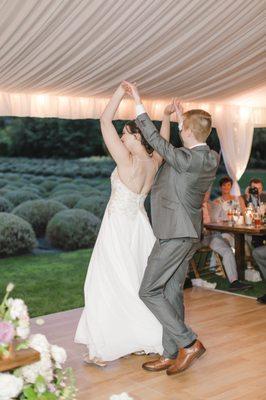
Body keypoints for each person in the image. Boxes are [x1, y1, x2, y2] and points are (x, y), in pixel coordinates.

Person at [75, 83, 180, 365]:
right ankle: (139, 337)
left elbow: (104, 120)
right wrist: (167, 118)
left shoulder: (127, 161)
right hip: (140, 229)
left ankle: (103, 348)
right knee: (136, 283)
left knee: (103, 284)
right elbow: (163, 142)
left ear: (138, 137)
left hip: (118, 230)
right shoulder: (153, 162)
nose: (121, 137)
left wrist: (121, 93)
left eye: (126, 134)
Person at [123, 81, 219, 376]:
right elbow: (188, 139)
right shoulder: (208, 157)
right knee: (172, 290)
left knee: (149, 290)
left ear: (187, 132)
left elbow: (156, 140)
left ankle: (188, 343)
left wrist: (138, 101)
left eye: (183, 128)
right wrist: (180, 118)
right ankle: (170, 352)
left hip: (175, 235)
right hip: (187, 233)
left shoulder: (187, 159)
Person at [202, 192, 252, 291]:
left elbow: (225, 219)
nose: (206, 194)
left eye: (208, 192)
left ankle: (234, 282)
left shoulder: (215, 206)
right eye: (204, 191)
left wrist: (224, 221)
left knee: (228, 252)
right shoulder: (191, 206)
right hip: (197, 238)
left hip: (213, 236)